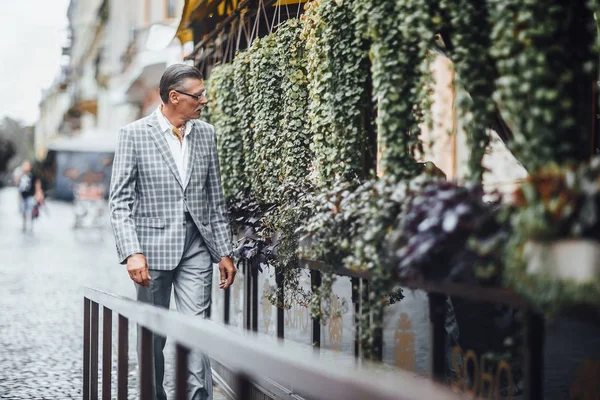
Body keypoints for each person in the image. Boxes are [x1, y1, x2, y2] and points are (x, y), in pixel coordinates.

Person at [109, 64, 236, 400]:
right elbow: (119, 202)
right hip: (150, 251)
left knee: (196, 332)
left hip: (196, 246)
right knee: (153, 335)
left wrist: (224, 251)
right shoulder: (133, 135)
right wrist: (131, 252)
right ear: (174, 97)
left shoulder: (206, 133)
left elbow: (214, 197)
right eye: (198, 95)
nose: (204, 100)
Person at [16, 160, 44, 232]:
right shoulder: (21, 176)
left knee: (31, 210)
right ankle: (24, 225)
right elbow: (18, 185)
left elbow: (37, 185)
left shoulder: (33, 176)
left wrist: (38, 195)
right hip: (23, 196)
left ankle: (31, 225)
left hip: (31, 196)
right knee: (24, 211)